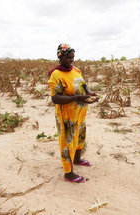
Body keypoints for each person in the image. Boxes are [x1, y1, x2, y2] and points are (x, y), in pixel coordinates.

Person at [48, 43, 98, 183]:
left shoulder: (76, 70)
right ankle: (68, 173)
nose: (71, 60)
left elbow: (82, 85)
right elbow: (55, 98)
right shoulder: (56, 74)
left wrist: (89, 93)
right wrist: (77, 97)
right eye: (68, 58)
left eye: (73, 57)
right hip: (66, 116)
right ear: (60, 57)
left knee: (80, 137)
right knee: (68, 142)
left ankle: (77, 159)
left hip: (80, 112)